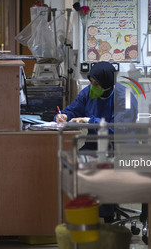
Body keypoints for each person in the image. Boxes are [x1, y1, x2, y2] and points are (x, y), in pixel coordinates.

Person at [55, 61, 138, 222]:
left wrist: (90, 120)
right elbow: (73, 110)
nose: (93, 86)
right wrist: (62, 116)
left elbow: (120, 129)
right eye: (92, 82)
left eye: (97, 84)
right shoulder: (88, 93)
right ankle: (84, 211)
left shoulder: (124, 97)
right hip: (95, 144)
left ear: (108, 84)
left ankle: (105, 215)